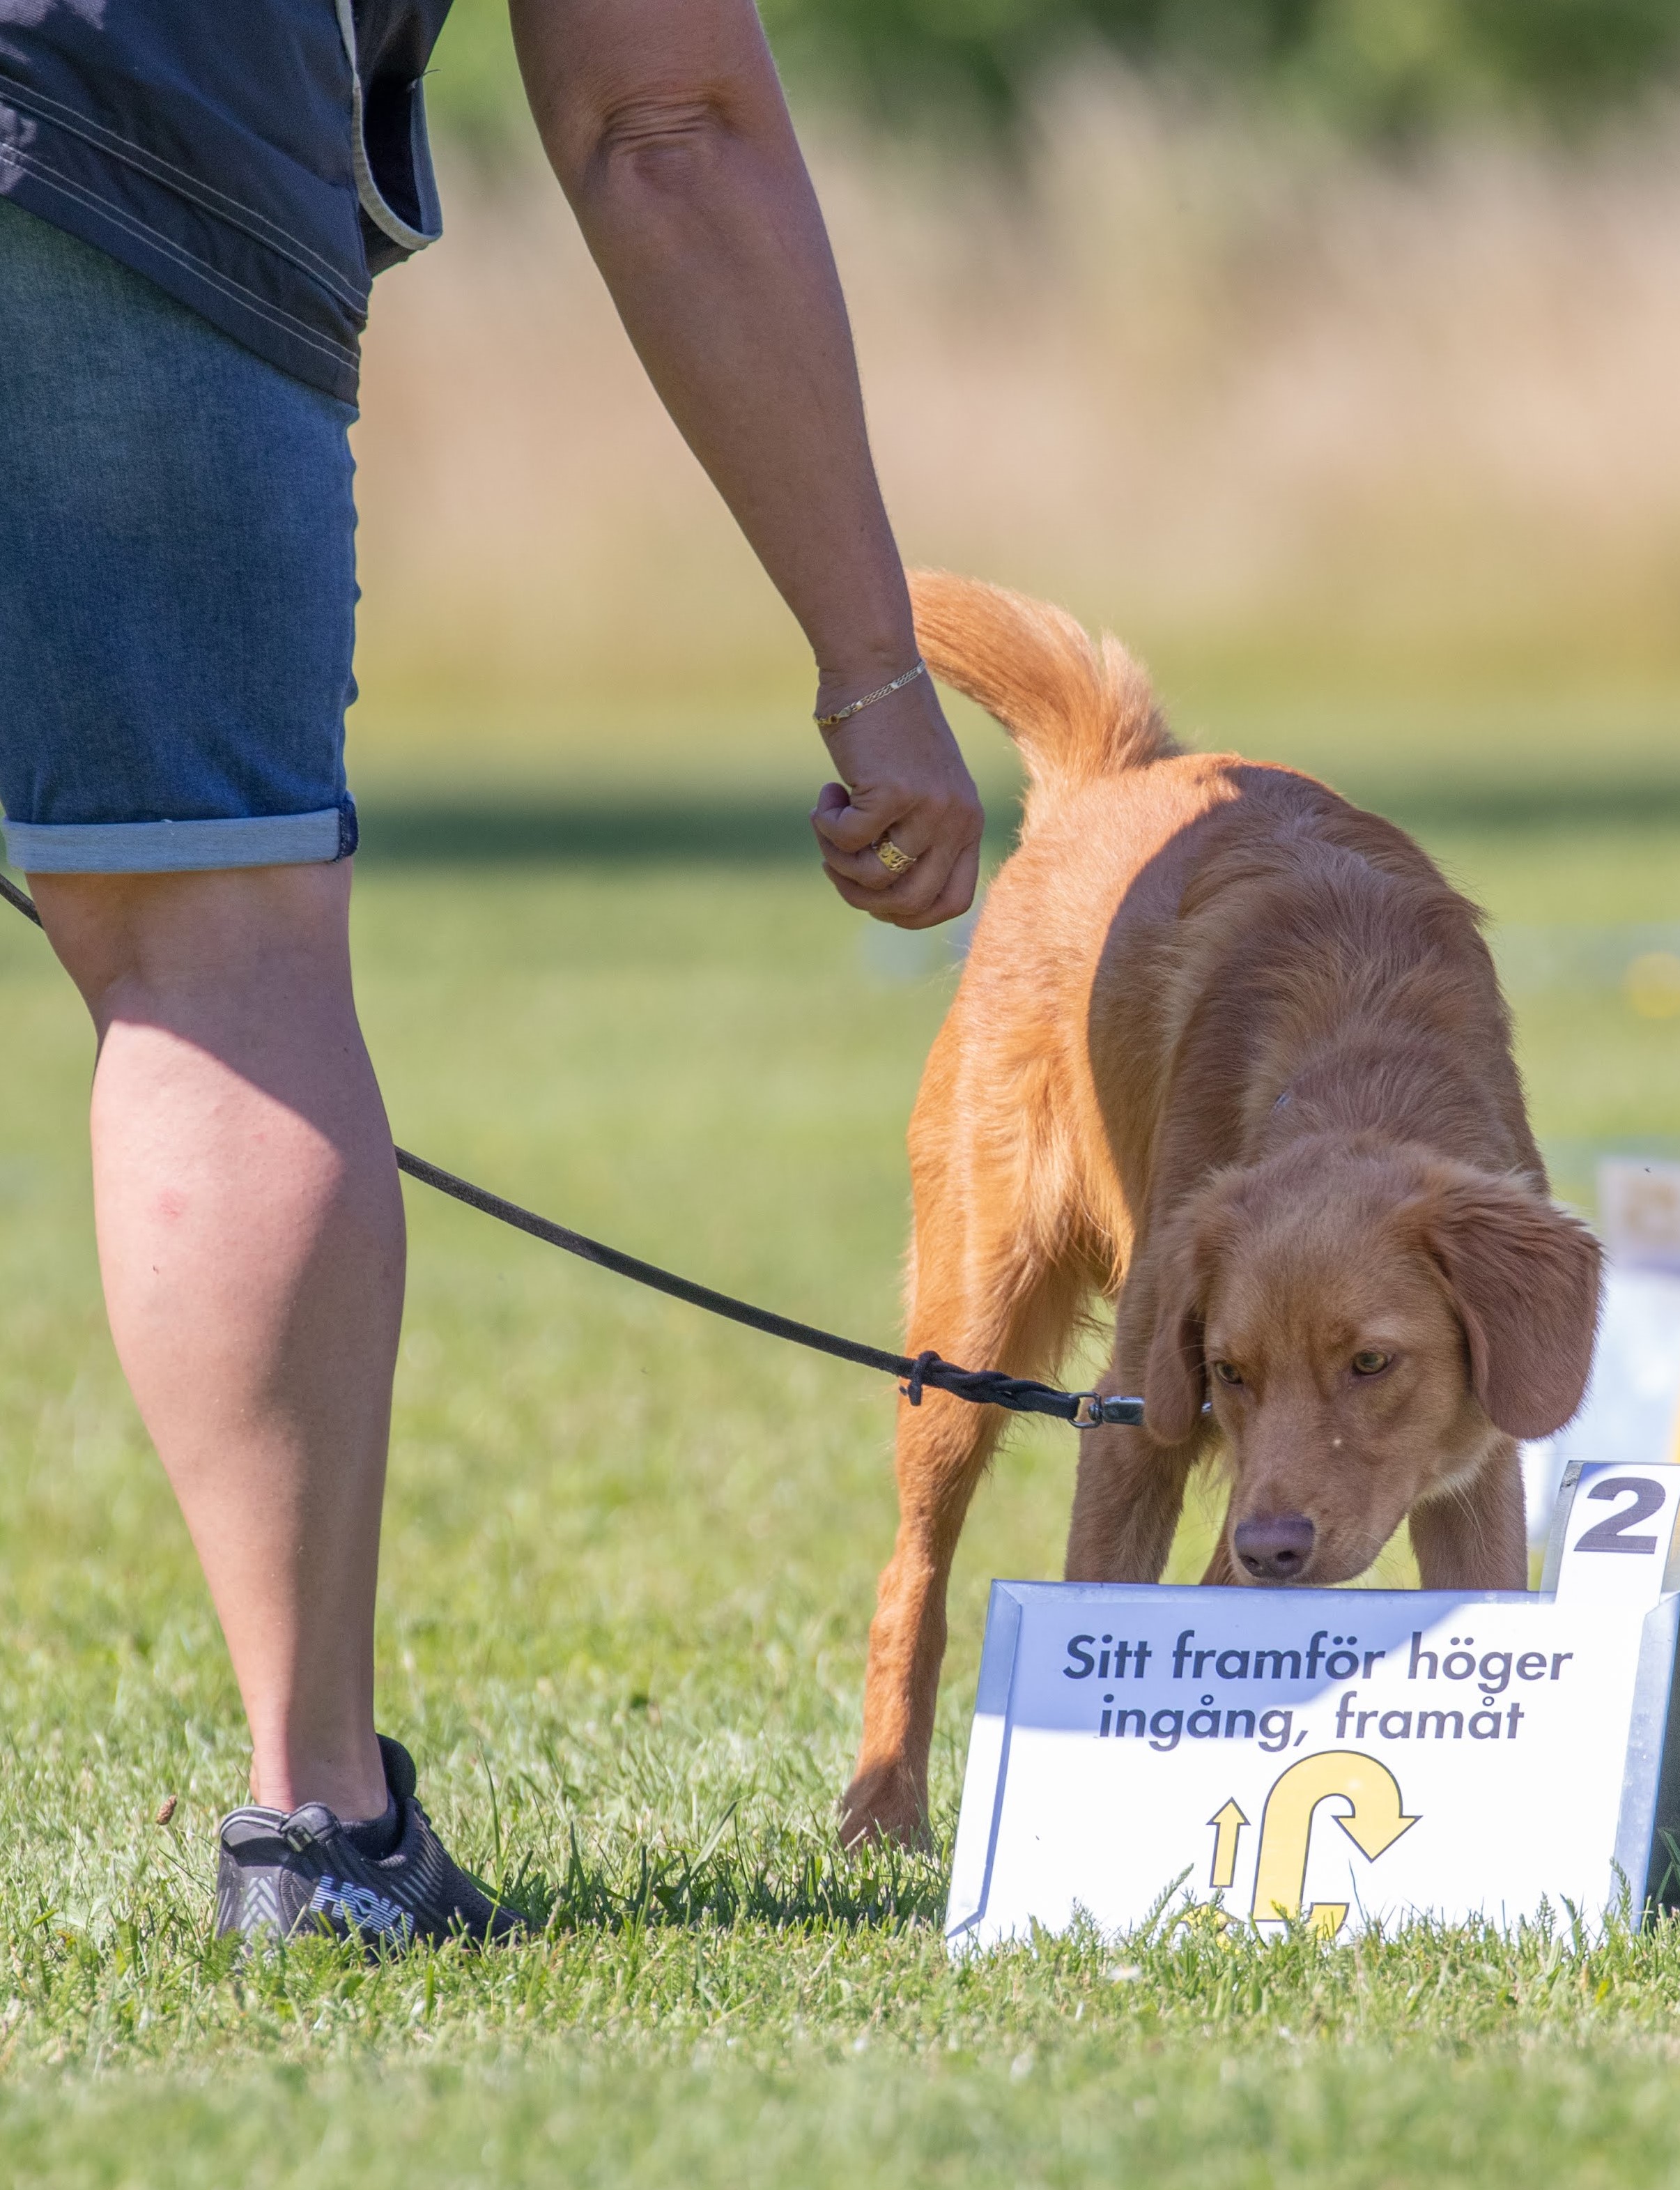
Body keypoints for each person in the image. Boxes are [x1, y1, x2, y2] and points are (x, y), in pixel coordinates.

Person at [0, 0, 982, 1943]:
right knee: (216, 951)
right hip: (135, 128)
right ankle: (319, 1829)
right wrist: (875, 669)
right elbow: (665, 108)